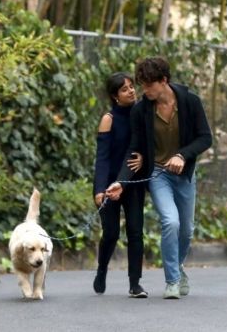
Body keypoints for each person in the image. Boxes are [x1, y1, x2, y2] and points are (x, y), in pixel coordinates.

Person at [105, 57, 212, 299]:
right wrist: (120, 182)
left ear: (163, 81)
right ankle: (172, 280)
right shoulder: (141, 110)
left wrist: (183, 155)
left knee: (186, 230)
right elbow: (134, 148)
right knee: (170, 222)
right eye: (141, 85)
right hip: (158, 174)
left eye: (148, 85)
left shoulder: (189, 101)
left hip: (184, 175)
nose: (143, 91)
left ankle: (178, 267)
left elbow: (205, 138)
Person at [92, 72, 148, 298]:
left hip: (132, 183)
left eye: (132, 86)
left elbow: (147, 145)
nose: (131, 91)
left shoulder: (142, 113)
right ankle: (102, 269)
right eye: (124, 89)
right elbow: (102, 157)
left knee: (135, 231)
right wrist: (99, 189)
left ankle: (135, 284)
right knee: (111, 233)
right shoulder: (109, 119)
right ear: (115, 96)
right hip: (108, 186)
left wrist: (144, 159)